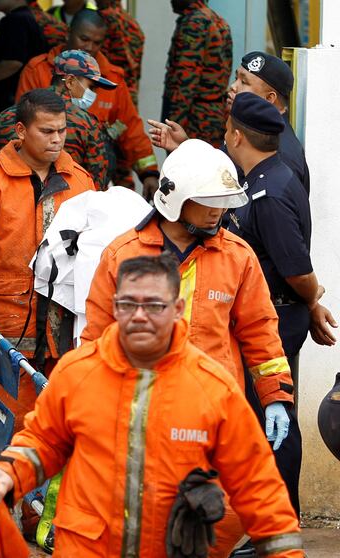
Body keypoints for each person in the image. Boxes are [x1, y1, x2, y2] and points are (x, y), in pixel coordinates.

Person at [0, 254, 304, 557]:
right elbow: (42, 443)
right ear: (115, 307)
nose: (139, 315)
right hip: (86, 548)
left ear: (178, 308)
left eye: (154, 305)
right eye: (128, 304)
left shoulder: (212, 388)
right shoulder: (77, 374)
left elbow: (257, 484)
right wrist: (7, 475)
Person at [82, 139, 297, 551]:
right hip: (139, 413)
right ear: (176, 200)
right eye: (210, 200)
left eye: (225, 199)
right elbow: (95, 339)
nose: (220, 210)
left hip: (212, 413)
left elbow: (260, 332)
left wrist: (275, 397)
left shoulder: (237, 257)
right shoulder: (122, 256)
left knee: (225, 514)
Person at [0, 88, 96, 431]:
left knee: (61, 428)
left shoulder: (81, 182)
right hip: (7, 327)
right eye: (46, 131)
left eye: (61, 130)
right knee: (4, 427)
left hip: (64, 331)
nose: (57, 139)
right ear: (20, 131)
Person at [223, 92, 337, 516]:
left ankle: (278, 519)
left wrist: (312, 302)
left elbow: (297, 270)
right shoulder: (269, 176)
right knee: (266, 417)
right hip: (273, 313)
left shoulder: (267, 194)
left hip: (273, 319)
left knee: (274, 420)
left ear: (236, 136)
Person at [16, 10, 159, 198]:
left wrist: (148, 173)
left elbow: (130, 128)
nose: (89, 47)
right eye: (84, 39)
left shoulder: (112, 78)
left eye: (97, 42)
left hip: (93, 183)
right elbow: (21, 125)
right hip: (43, 175)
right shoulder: (38, 70)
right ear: (68, 33)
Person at [151, 51, 311, 196]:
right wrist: (185, 147)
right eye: (236, 78)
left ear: (269, 98)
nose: (233, 87)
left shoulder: (282, 152)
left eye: (244, 82)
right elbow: (222, 172)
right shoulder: (248, 129)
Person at [0, 50, 114, 190]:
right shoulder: (88, 124)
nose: (94, 94)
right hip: (65, 206)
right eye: (91, 87)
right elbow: (95, 186)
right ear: (69, 82)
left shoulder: (5, 117)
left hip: (10, 203)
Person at [161, 0, 233, 148]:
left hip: (194, 118)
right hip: (215, 115)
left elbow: (186, 79)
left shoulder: (194, 23)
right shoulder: (219, 21)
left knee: (187, 167)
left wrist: (173, 123)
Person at [96, 0, 145, 106]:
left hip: (106, 93)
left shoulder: (104, 19)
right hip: (129, 93)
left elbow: (96, 59)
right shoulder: (132, 22)